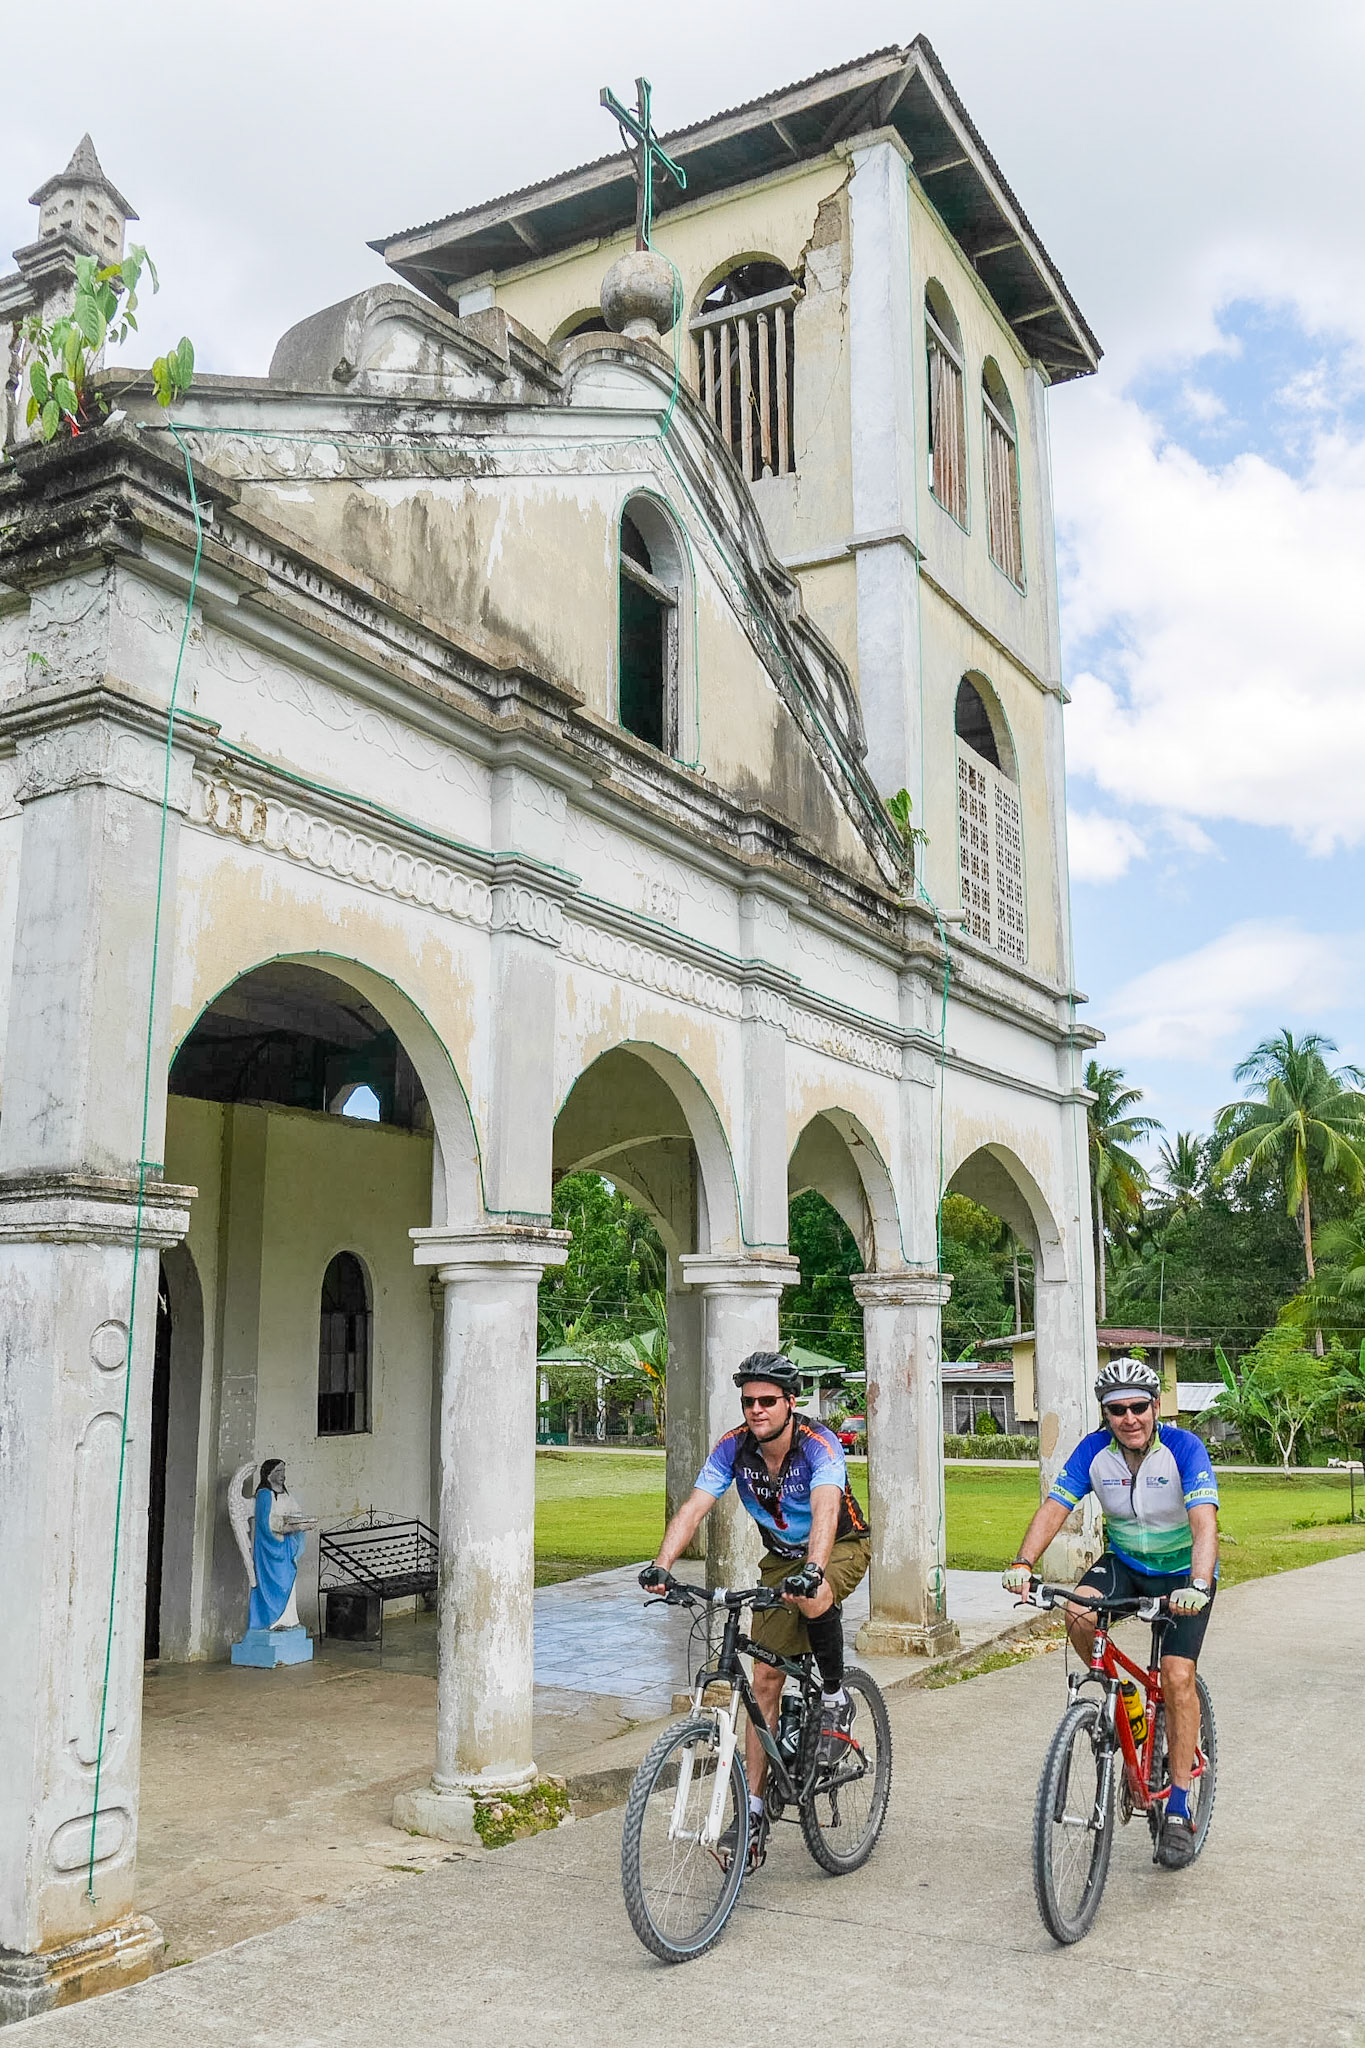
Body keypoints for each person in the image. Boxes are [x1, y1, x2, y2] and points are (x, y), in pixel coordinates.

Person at [640, 1351, 872, 1867]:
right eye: (749, 1402)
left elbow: (826, 1509)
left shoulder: (819, 1445)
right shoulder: (733, 1447)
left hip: (839, 1546)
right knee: (764, 1677)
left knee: (813, 1594)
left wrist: (814, 1569)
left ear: (791, 1402)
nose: (756, 1410)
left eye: (768, 1400)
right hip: (782, 1559)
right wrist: (661, 1565)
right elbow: (694, 1507)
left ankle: (835, 1697)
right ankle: (753, 1811)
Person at [1001, 1356, 1219, 1869]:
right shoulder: (1095, 1452)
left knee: (1177, 1675)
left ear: (1156, 1407)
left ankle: (1180, 1806)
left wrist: (1198, 1584)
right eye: (1117, 1410)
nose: (1129, 1418)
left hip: (1182, 1575)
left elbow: (1204, 1524)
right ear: (1106, 1414)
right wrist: (1023, 1562)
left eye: (1138, 1407)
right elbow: (1056, 1507)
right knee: (1078, 1613)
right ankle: (1127, 1703)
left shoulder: (1184, 1449)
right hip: (1126, 1564)